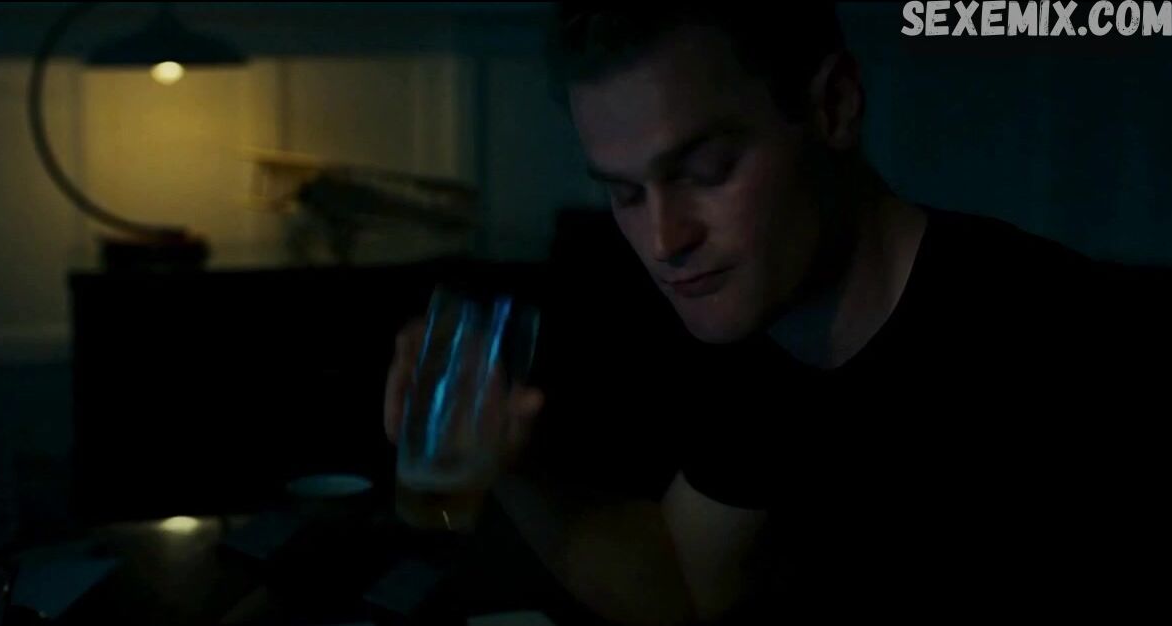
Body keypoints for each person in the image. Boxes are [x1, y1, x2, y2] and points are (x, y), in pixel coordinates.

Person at [386, 4, 1168, 624]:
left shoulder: (1056, 340)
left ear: (833, 105)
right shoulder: (766, 324)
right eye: (624, 193)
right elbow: (687, 583)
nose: (663, 240)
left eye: (706, 170)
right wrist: (506, 461)